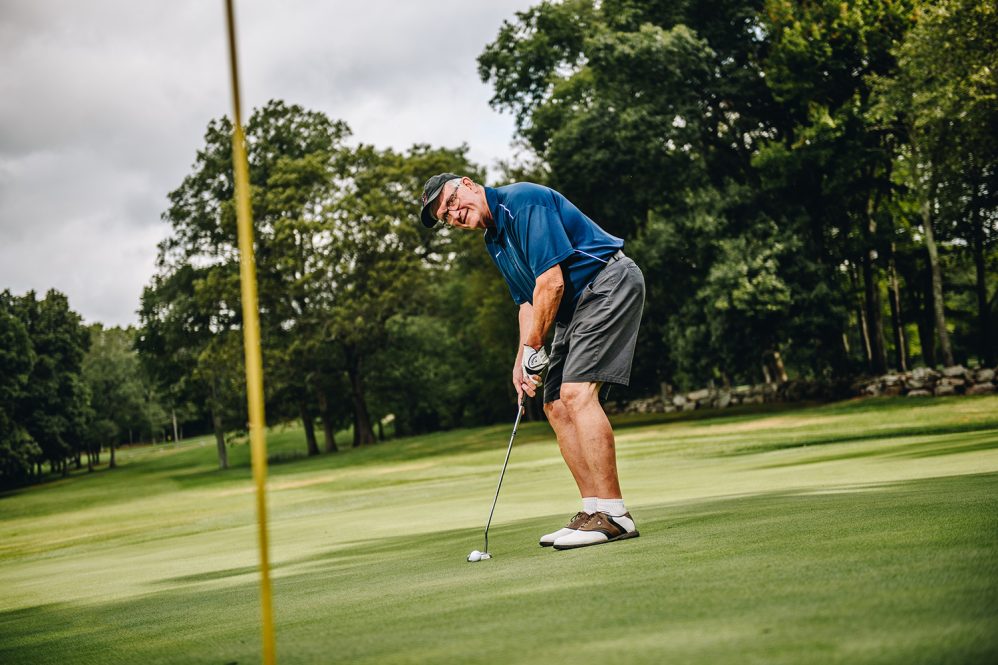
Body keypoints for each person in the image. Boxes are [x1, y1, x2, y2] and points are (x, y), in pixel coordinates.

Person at [419, 173, 646, 550]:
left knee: (576, 394)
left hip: (608, 282)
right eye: (446, 216)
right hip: (575, 307)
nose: (454, 214)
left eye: (452, 201)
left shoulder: (522, 201)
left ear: (469, 184)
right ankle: (593, 512)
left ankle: (615, 515)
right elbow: (527, 301)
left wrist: (534, 347)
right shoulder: (494, 240)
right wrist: (520, 358)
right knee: (554, 404)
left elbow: (551, 283)